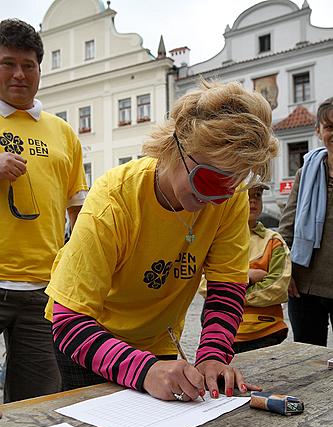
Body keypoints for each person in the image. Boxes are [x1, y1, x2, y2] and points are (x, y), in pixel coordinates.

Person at [46, 80, 278, 402]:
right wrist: (145, 371)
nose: (215, 197)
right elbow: (69, 321)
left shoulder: (227, 199)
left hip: (156, 342)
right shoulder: (113, 201)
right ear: (176, 145)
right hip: (90, 340)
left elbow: (226, 288)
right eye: (206, 179)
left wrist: (213, 355)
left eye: (231, 184)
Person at [0, 19, 88, 402]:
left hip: (43, 290)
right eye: (7, 63)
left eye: (28, 64)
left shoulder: (63, 132)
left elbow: (78, 211)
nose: (19, 74)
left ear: (39, 69)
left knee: (38, 402)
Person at [200, 183, 291, 353]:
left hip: (267, 331)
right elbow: (204, 284)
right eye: (246, 195)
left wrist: (228, 296)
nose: (253, 201)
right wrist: (248, 277)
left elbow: (278, 287)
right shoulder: (216, 239)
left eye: (257, 195)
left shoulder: (273, 241)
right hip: (224, 334)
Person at [279, 97, 333, 347]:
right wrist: (285, 273)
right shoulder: (306, 173)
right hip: (305, 288)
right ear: (319, 131)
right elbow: (287, 226)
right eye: (330, 127)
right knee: (308, 360)